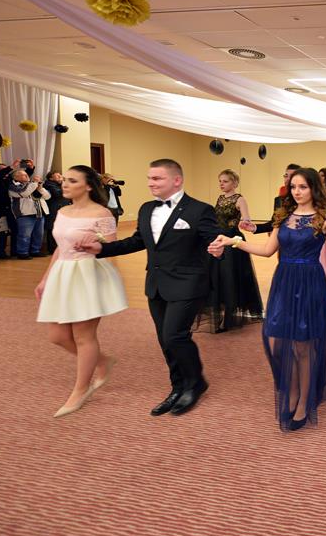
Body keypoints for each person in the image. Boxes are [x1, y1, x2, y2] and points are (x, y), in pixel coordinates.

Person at [209, 168, 326, 431]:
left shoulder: (325, 217)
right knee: (275, 340)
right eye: (293, 187)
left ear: (313, 188)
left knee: (302, 346)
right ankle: (291, 389)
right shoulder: (283, 215)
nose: (297, 191)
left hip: (309, 282)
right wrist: (233, 242)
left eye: (302, 187)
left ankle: (303, 399)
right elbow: (267, 250)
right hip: (283, 281)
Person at [76, 159, 221, 416]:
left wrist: (220, 247)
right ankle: (177, 386)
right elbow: (137, 241)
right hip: (156, 284)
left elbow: (216, 238)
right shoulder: (146, 209)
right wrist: (101, 249)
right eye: (149, 178)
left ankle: (195, 383)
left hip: (188, 283)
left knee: (175, 336)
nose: (150, 183)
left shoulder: (200, 210)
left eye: (157, 178)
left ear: (177, 180)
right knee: (165, 339)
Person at [35, 165, 126, 417]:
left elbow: (112, 248)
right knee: (57, 336)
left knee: (83, 337)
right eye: (65, 179)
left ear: (88, 186)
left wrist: (98, 244)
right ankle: (102, 361)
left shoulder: (102, 213)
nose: (65, 184)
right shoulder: (63, 211)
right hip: (62, 273)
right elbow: (60, 247)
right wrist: (45, 278)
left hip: (88, 274)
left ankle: (81, 390)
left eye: (72, 181)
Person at [197, 169, 263, 333]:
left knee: (230, 277)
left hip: (233, 240)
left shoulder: (240, 199)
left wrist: (244, 222)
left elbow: (246, 219)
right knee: (217, 276)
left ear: (234, 183)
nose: (221, 184)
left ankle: (229, 317)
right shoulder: (220, 199)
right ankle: (220, 312)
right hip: (219, 238)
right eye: (220, 181)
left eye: (225, 181)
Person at [244, 163, 301, 236]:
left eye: (292, 176)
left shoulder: (305, 201)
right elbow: (274, 222)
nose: (288, 179)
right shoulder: (279, 200)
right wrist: (254, 227)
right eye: (286, 176)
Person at [8, 168, 51, 259]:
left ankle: (35, 251)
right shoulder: (13, 186)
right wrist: (35, 184)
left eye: (26, 174)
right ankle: (22, 253)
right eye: (23, 175)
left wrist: (40, 188)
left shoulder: (32, 185)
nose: (27, 176)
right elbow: (24, 193)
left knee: (38, 234)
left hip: (39, 213)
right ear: (16, 177)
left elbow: (47, 197)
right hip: (25, 214)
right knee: (24, 235)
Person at [43, 171, 69, 253]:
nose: (60, 176)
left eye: (60, 175)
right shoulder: (49, 184)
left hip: (63, 209)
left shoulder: (59, 184)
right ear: (51, 178)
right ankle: (53, 249)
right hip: (54, 210)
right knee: (53, 229)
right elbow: (58, 194)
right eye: (57, 176)